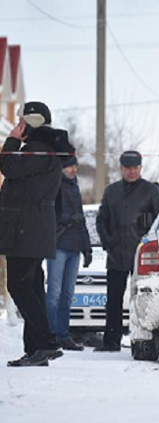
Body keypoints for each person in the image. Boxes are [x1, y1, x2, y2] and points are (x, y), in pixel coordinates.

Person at [0, 101, 74, 366]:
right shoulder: (46, 149)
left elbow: (7, 167)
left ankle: (46, 342)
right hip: (34, 228)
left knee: (19, 286)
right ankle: (35, 350)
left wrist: (10, 142)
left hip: (25, 228)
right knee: (32, 288)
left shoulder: (38, 150)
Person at [95, 150, 159, 351]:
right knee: (113, 300)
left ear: (140, 168)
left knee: (146, 298)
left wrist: (150, 244)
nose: (132, 172)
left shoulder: (150, 191)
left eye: (135, 168)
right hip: (116, 254)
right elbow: (102, 220)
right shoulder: (111, 191)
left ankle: (148, 339)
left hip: (143, 256)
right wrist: (107, 242)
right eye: (128, 168)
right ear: (121, 169)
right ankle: (111, 342)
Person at [46, 156, 92, 351]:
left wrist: (87, 247)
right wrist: (67, 218)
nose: (73, 169)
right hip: (57, 246)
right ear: (62, 168)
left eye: (74, 165)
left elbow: (81, 220)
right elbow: (48, 214)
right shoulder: (54, 185)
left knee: (67, 294)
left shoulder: (75, 186)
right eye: (69, 166)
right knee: (54, 294)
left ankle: (64, 334)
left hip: (74, 247)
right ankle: (50, 335)